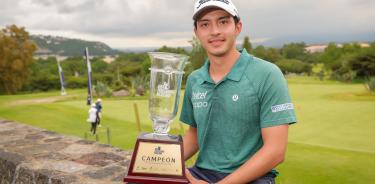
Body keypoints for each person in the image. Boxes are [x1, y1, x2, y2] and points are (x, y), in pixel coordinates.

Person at [180, 0, 297, 183]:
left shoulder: (267, 74)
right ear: (197, 32)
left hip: (253, 177)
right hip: (202, 173)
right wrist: (164, 162)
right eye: (205, 24)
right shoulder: (195, 79)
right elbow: (194, 135)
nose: (214, 31)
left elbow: (275, 151)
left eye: (223, 22)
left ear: (238, 27)